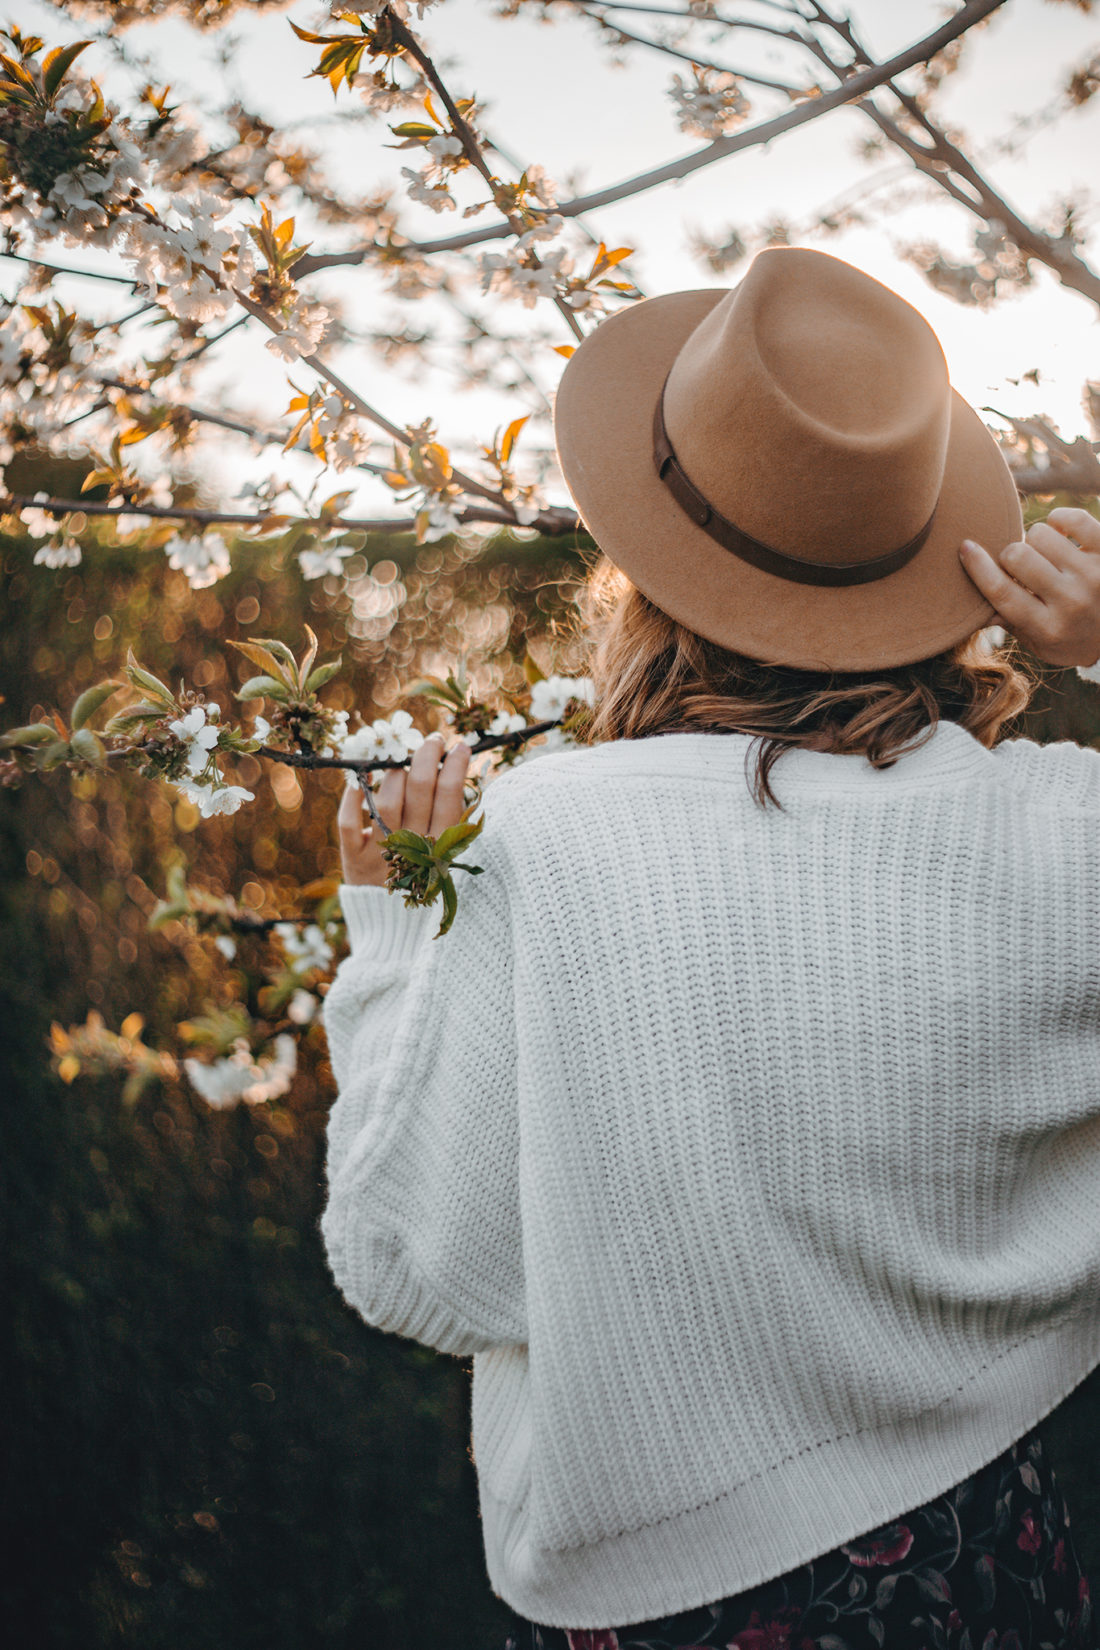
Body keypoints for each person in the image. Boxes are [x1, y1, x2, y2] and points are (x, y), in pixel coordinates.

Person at [323, 248, 1100, 1649]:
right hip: (990, 1558)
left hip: (666, 1597)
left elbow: (413, 1265)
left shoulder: (546, 838)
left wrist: (391, 933)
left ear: (645, 568)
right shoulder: (1058, 827)